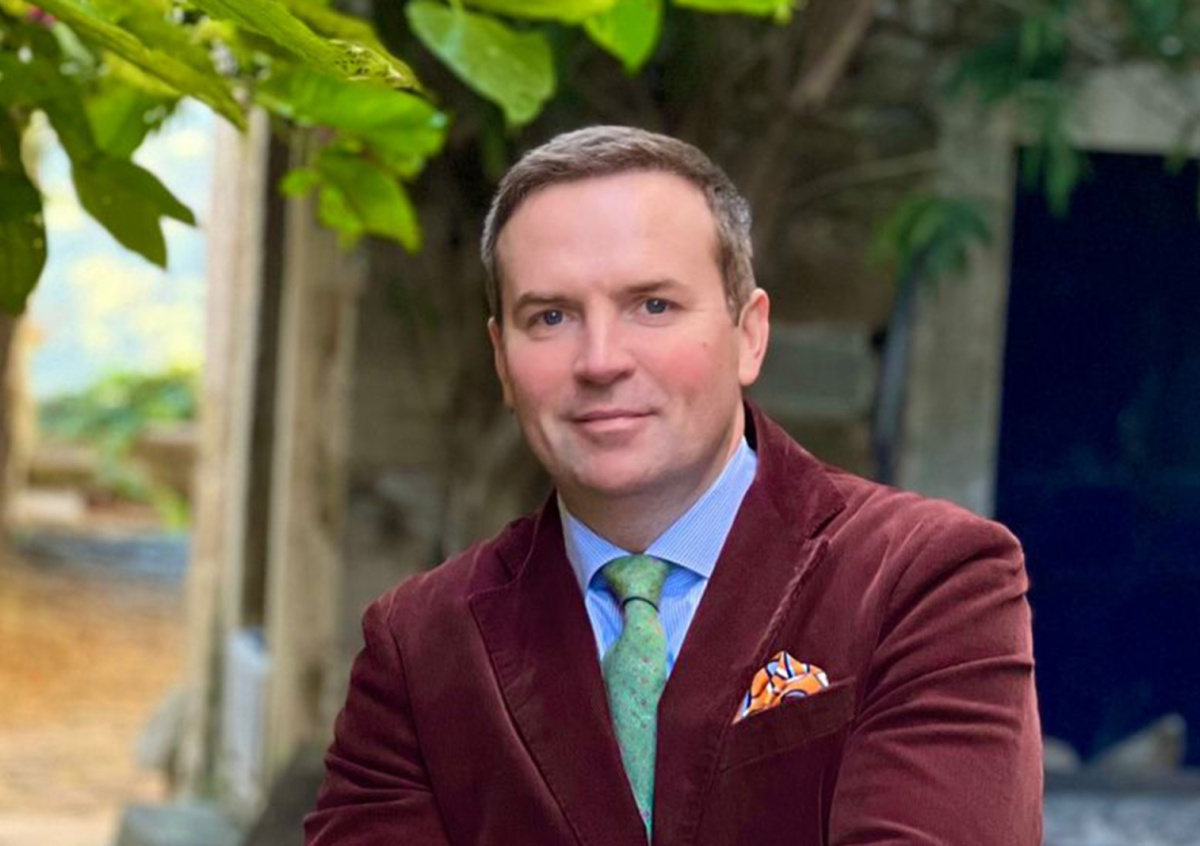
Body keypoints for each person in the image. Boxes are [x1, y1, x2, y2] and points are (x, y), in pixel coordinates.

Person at [304, 126, 1042, 846]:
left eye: (652, 305)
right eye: (551, 316)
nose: (601, 360)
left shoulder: (926, 580)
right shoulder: (421, 647)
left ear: (749, 334)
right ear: (502, 359)